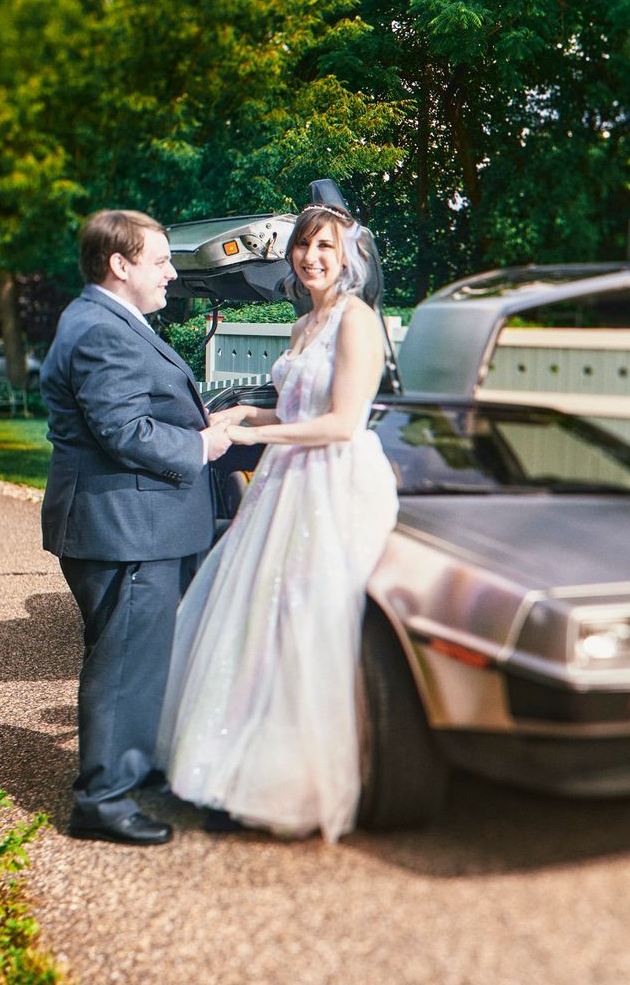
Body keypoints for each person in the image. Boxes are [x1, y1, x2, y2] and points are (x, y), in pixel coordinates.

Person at [158, 201, 399, 842]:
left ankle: (285, 782)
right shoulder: (304, 325)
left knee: (306, 625)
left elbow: (342, 423)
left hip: (334, 480)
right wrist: (240, 419)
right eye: (303, 246)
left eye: (325, 247)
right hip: (287, 475)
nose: (312, 257)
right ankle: (228, 767)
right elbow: (291, 408)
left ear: (348, 256)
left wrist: (265, 432)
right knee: (255, 620)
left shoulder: (357, 321)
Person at [40, 209, 234, 845]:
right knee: (125, 660)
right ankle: (102, 801)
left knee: (140, 655)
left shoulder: (104, 320)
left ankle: (131, 766)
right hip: (126, 525)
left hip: (133, 520)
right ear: (119, 266)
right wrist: (203, 445)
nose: (173, 274)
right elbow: (124, 430)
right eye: (161, 262)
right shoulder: (102, 330)